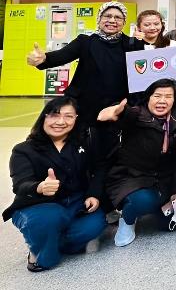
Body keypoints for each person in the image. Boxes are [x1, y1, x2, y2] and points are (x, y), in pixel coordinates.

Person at [3, 97, 106, 272]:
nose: (61, 122)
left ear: (76, 119)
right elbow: (20, 184)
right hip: (39, 205)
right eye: (54, 115)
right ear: (44, 117)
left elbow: (100, 168)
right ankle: (40, 253)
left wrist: (93, 194)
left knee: (96, 224)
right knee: (50, 219)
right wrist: (39, 187)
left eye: (68, 116)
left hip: (75, 203)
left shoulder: (82, 144)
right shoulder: (23, 150)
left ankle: (47, 240)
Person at [97, 79, 176, 247]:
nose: (162, 101)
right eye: (157, 96)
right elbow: (124, 113)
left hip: (163, 179)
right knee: (144, 201)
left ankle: (154, 205)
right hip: (133, 176)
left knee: (171, 223)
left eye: (168, 96)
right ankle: (128, 219)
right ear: (148, 97)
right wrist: (115, 111)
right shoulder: (137, 114)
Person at [26, 1, 145, 125]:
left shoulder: (131, 44)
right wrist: (44, 58)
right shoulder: (85, 41)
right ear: (99, 19)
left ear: (124, 23)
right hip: (85, 106)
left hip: (116, 108)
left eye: (118, 17)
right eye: (107, 16)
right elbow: (61, 56)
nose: (112, 20)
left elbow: (141, 73)